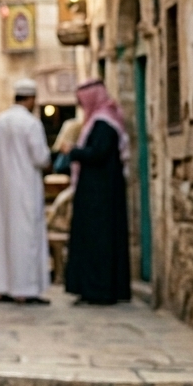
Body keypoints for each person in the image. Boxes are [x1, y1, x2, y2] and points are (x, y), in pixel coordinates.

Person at [63, 79, 132, 305]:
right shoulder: (98, 121)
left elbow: (98, 153)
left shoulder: (104, 123)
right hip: (96, 192)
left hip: (100, 195)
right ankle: (91, 288)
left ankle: (99, 290)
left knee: (98, 241)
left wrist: (74, 152)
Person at [0, 78, 52, 305]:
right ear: (31, 98)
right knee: (26, 236)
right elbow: (41, 157)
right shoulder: (31, 124)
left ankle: (2, 287)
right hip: (26, 189)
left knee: (3, 236)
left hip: (4, 191)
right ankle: (26, 289)